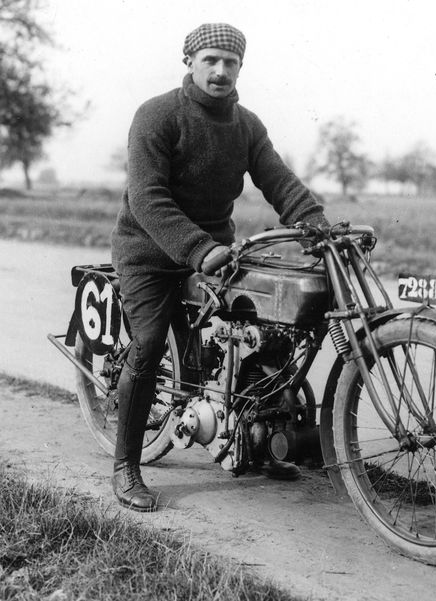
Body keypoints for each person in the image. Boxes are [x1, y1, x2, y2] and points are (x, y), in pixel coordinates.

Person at [110, 23, 329, 512]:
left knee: (268, 329)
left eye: (230, 62)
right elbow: (147, 198)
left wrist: (316, 224)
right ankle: (126, 466)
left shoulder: (246, 125)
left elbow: (279, 181)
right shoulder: (157, 115)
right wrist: (196, 247)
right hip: (150, 252)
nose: (220, 71)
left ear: (240, 68)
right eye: (210, 60)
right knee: (146, 347)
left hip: (214, 252)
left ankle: (256, 436)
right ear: (190, 62)